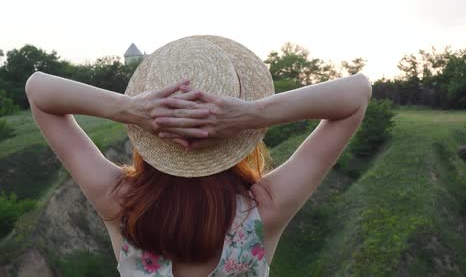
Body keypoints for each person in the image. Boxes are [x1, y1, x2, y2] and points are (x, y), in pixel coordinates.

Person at [25, 36, 371, 276]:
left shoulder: (119, 202)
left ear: (149, 132)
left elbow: (38, 90)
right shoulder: (265, 208)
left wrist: (130, 109)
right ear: (234, 135)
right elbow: (356, 93)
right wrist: (252, 113)